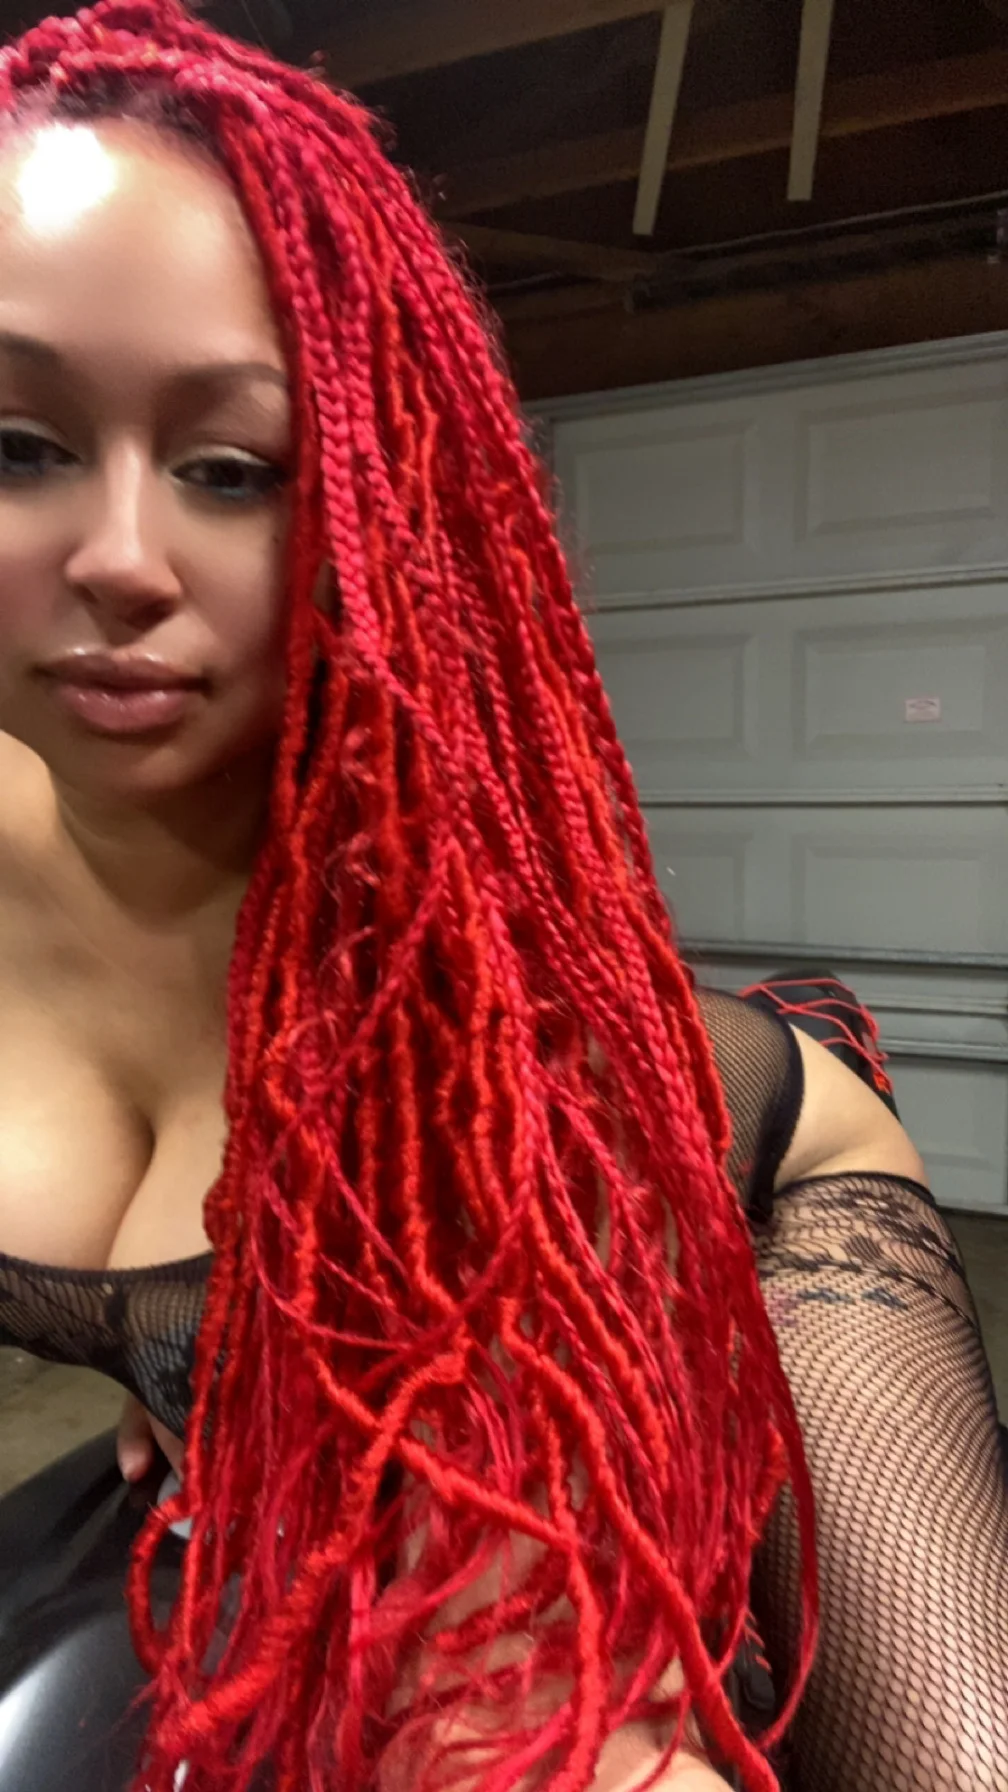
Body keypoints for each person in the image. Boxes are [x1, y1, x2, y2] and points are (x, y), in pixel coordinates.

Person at [0, 5, 1003, 1790]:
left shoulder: (452, 988)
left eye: (230, 469)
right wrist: (212, 1365)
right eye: (19, 445)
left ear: (371, 505)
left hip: (738, 1190)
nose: (119, 560)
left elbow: (554, 1732)